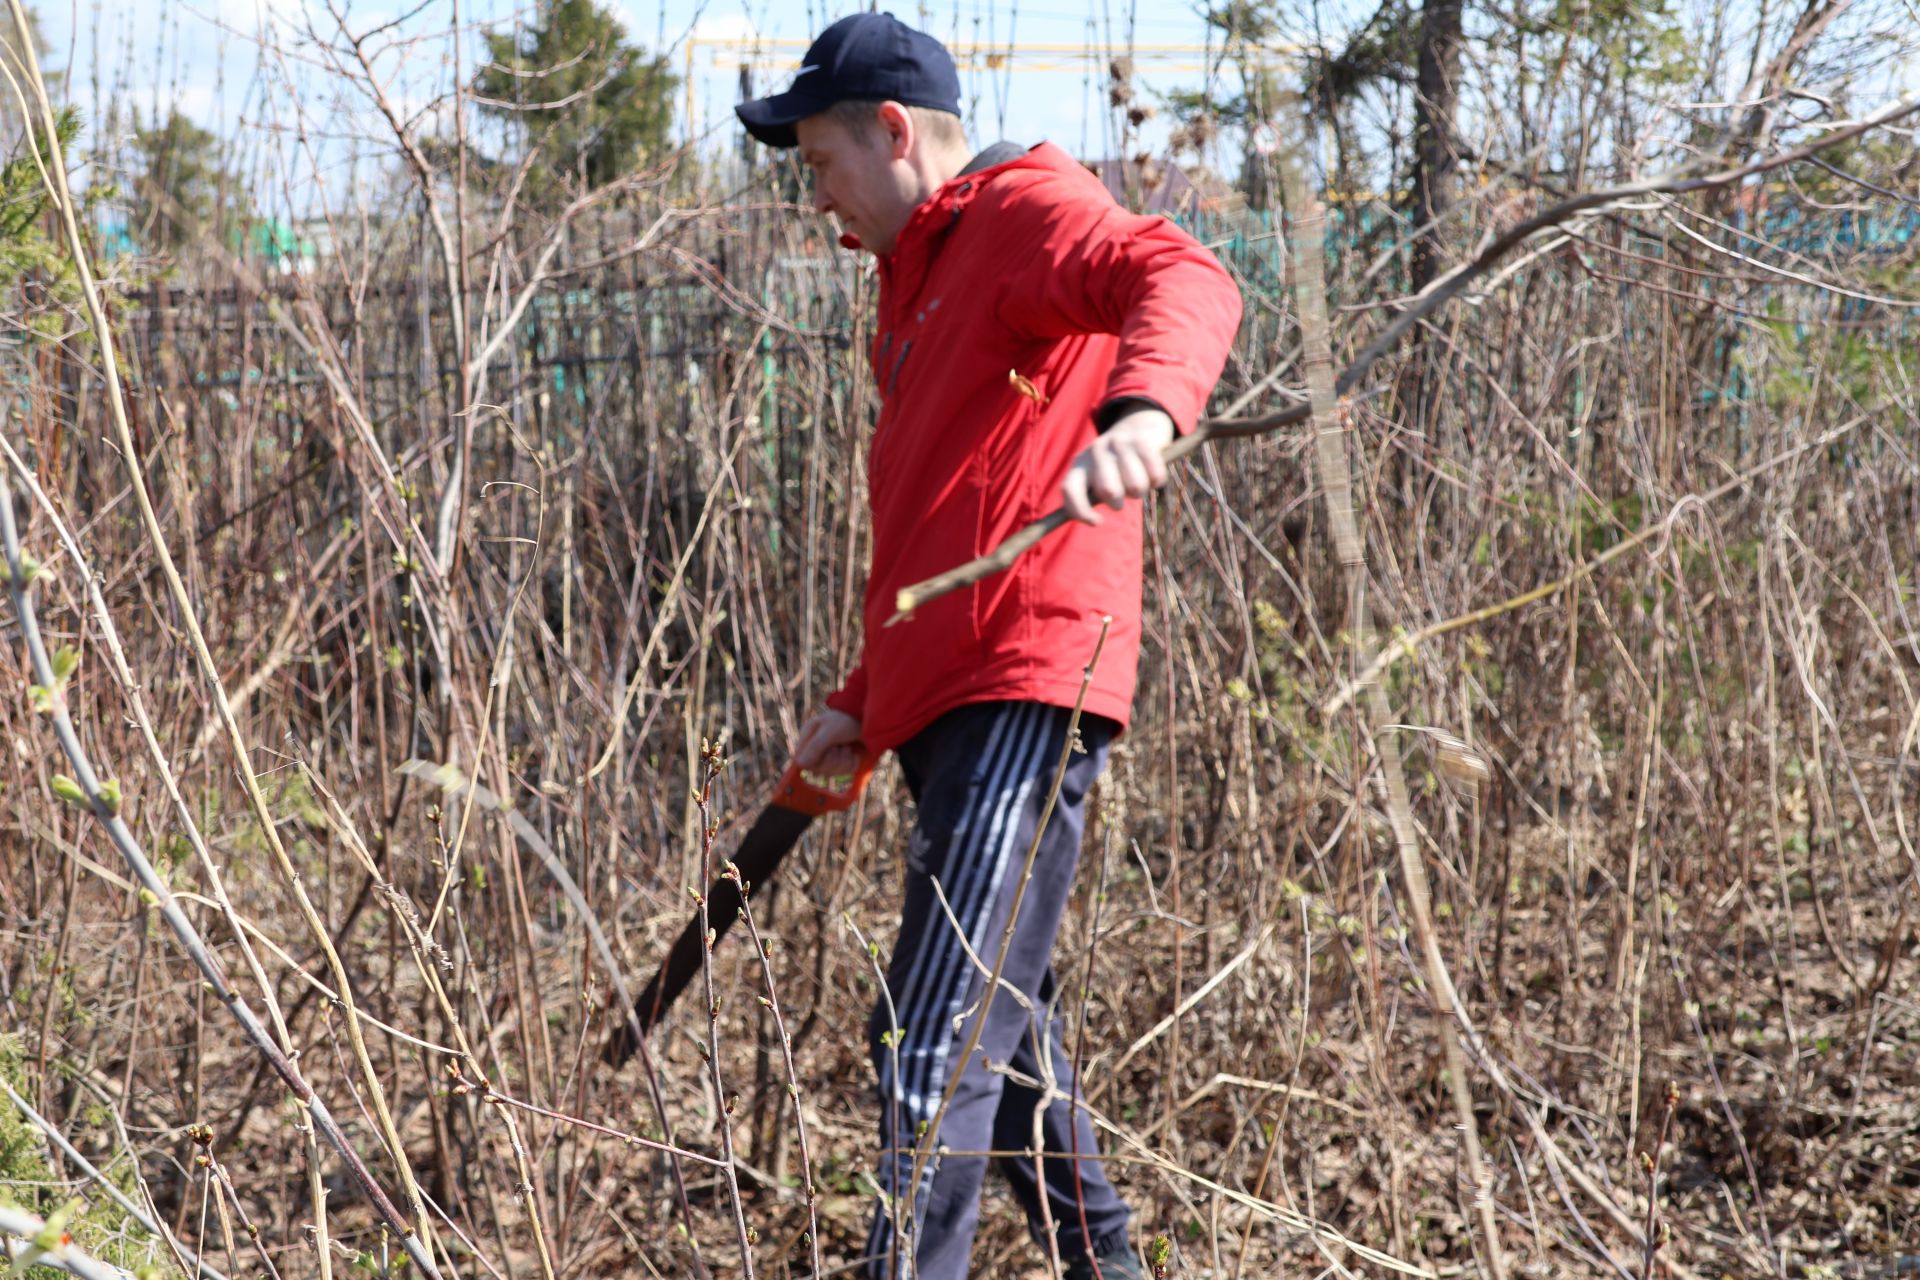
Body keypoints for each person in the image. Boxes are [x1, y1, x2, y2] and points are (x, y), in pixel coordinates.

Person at [735, 14, 1241, 1280]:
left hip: (1026, 676)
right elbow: (934, 522)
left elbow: (1184, 275)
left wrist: (1142, 412)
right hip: (950, 692)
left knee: (931, 1027)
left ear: (894, 134)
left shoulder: (1020, 213)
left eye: (820, 167)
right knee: (993, 1037)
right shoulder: (911, 290)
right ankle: (1109, 1265)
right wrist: (861, 698)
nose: (820, 203)